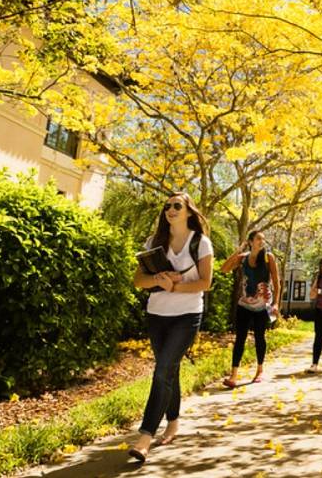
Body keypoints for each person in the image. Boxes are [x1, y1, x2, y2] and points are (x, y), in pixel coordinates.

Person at [129, 193, 214, 463]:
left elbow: (205, 283)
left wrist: (174, 286)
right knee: (169, 370)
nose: (170, 209)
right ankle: (173, 421)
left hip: (186, 315)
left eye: (177, 205)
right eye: (167, 206)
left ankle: (145, 436)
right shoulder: (154, 243)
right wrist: (157, 278)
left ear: (189, 211)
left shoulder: (201, 242)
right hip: (157, 314)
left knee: (163, 369)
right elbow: (138, 281)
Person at [220, 230, 280, 388]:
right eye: (259, 239)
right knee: (240, 338)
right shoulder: (243, 258)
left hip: (262, 306)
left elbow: (276, 281)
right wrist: (238, 251)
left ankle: (260, 370)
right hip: (244, 304)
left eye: (263, 239)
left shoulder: (269, 258)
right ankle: (233, 376)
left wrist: (276, 304)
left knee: (260, 337)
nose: (262, 242)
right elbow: (224, 269)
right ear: (251, 241)